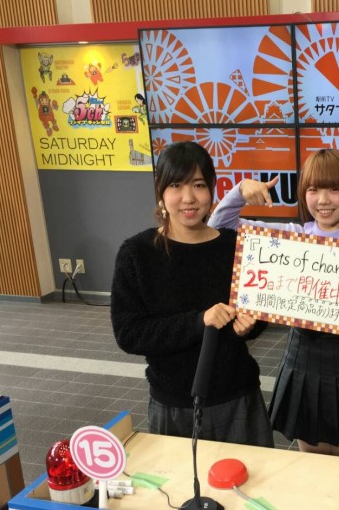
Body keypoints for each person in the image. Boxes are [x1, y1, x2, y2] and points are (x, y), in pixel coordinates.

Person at [208, 148, 339, 458]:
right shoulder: (291, 237)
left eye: (333, 189)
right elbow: (220, 226)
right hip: (303, 356)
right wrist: (240, 190)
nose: (323, 200)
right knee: (308, 457)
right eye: (313, 190)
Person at [111, 141, 273, 447]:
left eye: (198, 185)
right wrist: (199, 322)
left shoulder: (235, 246)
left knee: (249, 476)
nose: (188, 197)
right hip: (173, 403)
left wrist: (250, 325)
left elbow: (257, 317)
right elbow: (128, 333)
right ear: (161, 190)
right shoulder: (137, 253)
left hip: (238, 396)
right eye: (176, 185)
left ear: (212, 188)